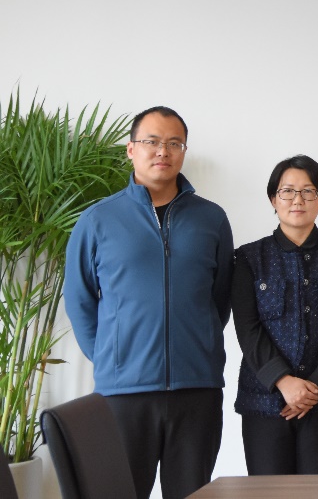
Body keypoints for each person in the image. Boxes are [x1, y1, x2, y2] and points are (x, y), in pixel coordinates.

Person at [65, 106, 233, 499]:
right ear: (131, 149)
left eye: (175, 143)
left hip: (197, 389)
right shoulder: (97, 220)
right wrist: (112, 356)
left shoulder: (211, 219)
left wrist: (199, 344)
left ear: (184, 151)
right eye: (152, 141)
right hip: (123, 394)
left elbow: (220, 297)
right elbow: (79, 300)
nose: (163, 151)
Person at [231, 155, 318, 475]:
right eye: (287, 191)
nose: (297, 200)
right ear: (273, 199)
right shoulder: (250, 258)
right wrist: (283, 381)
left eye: (308, 191)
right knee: (268, 493)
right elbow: (247, 327)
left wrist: (316, 384)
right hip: (265, 400)